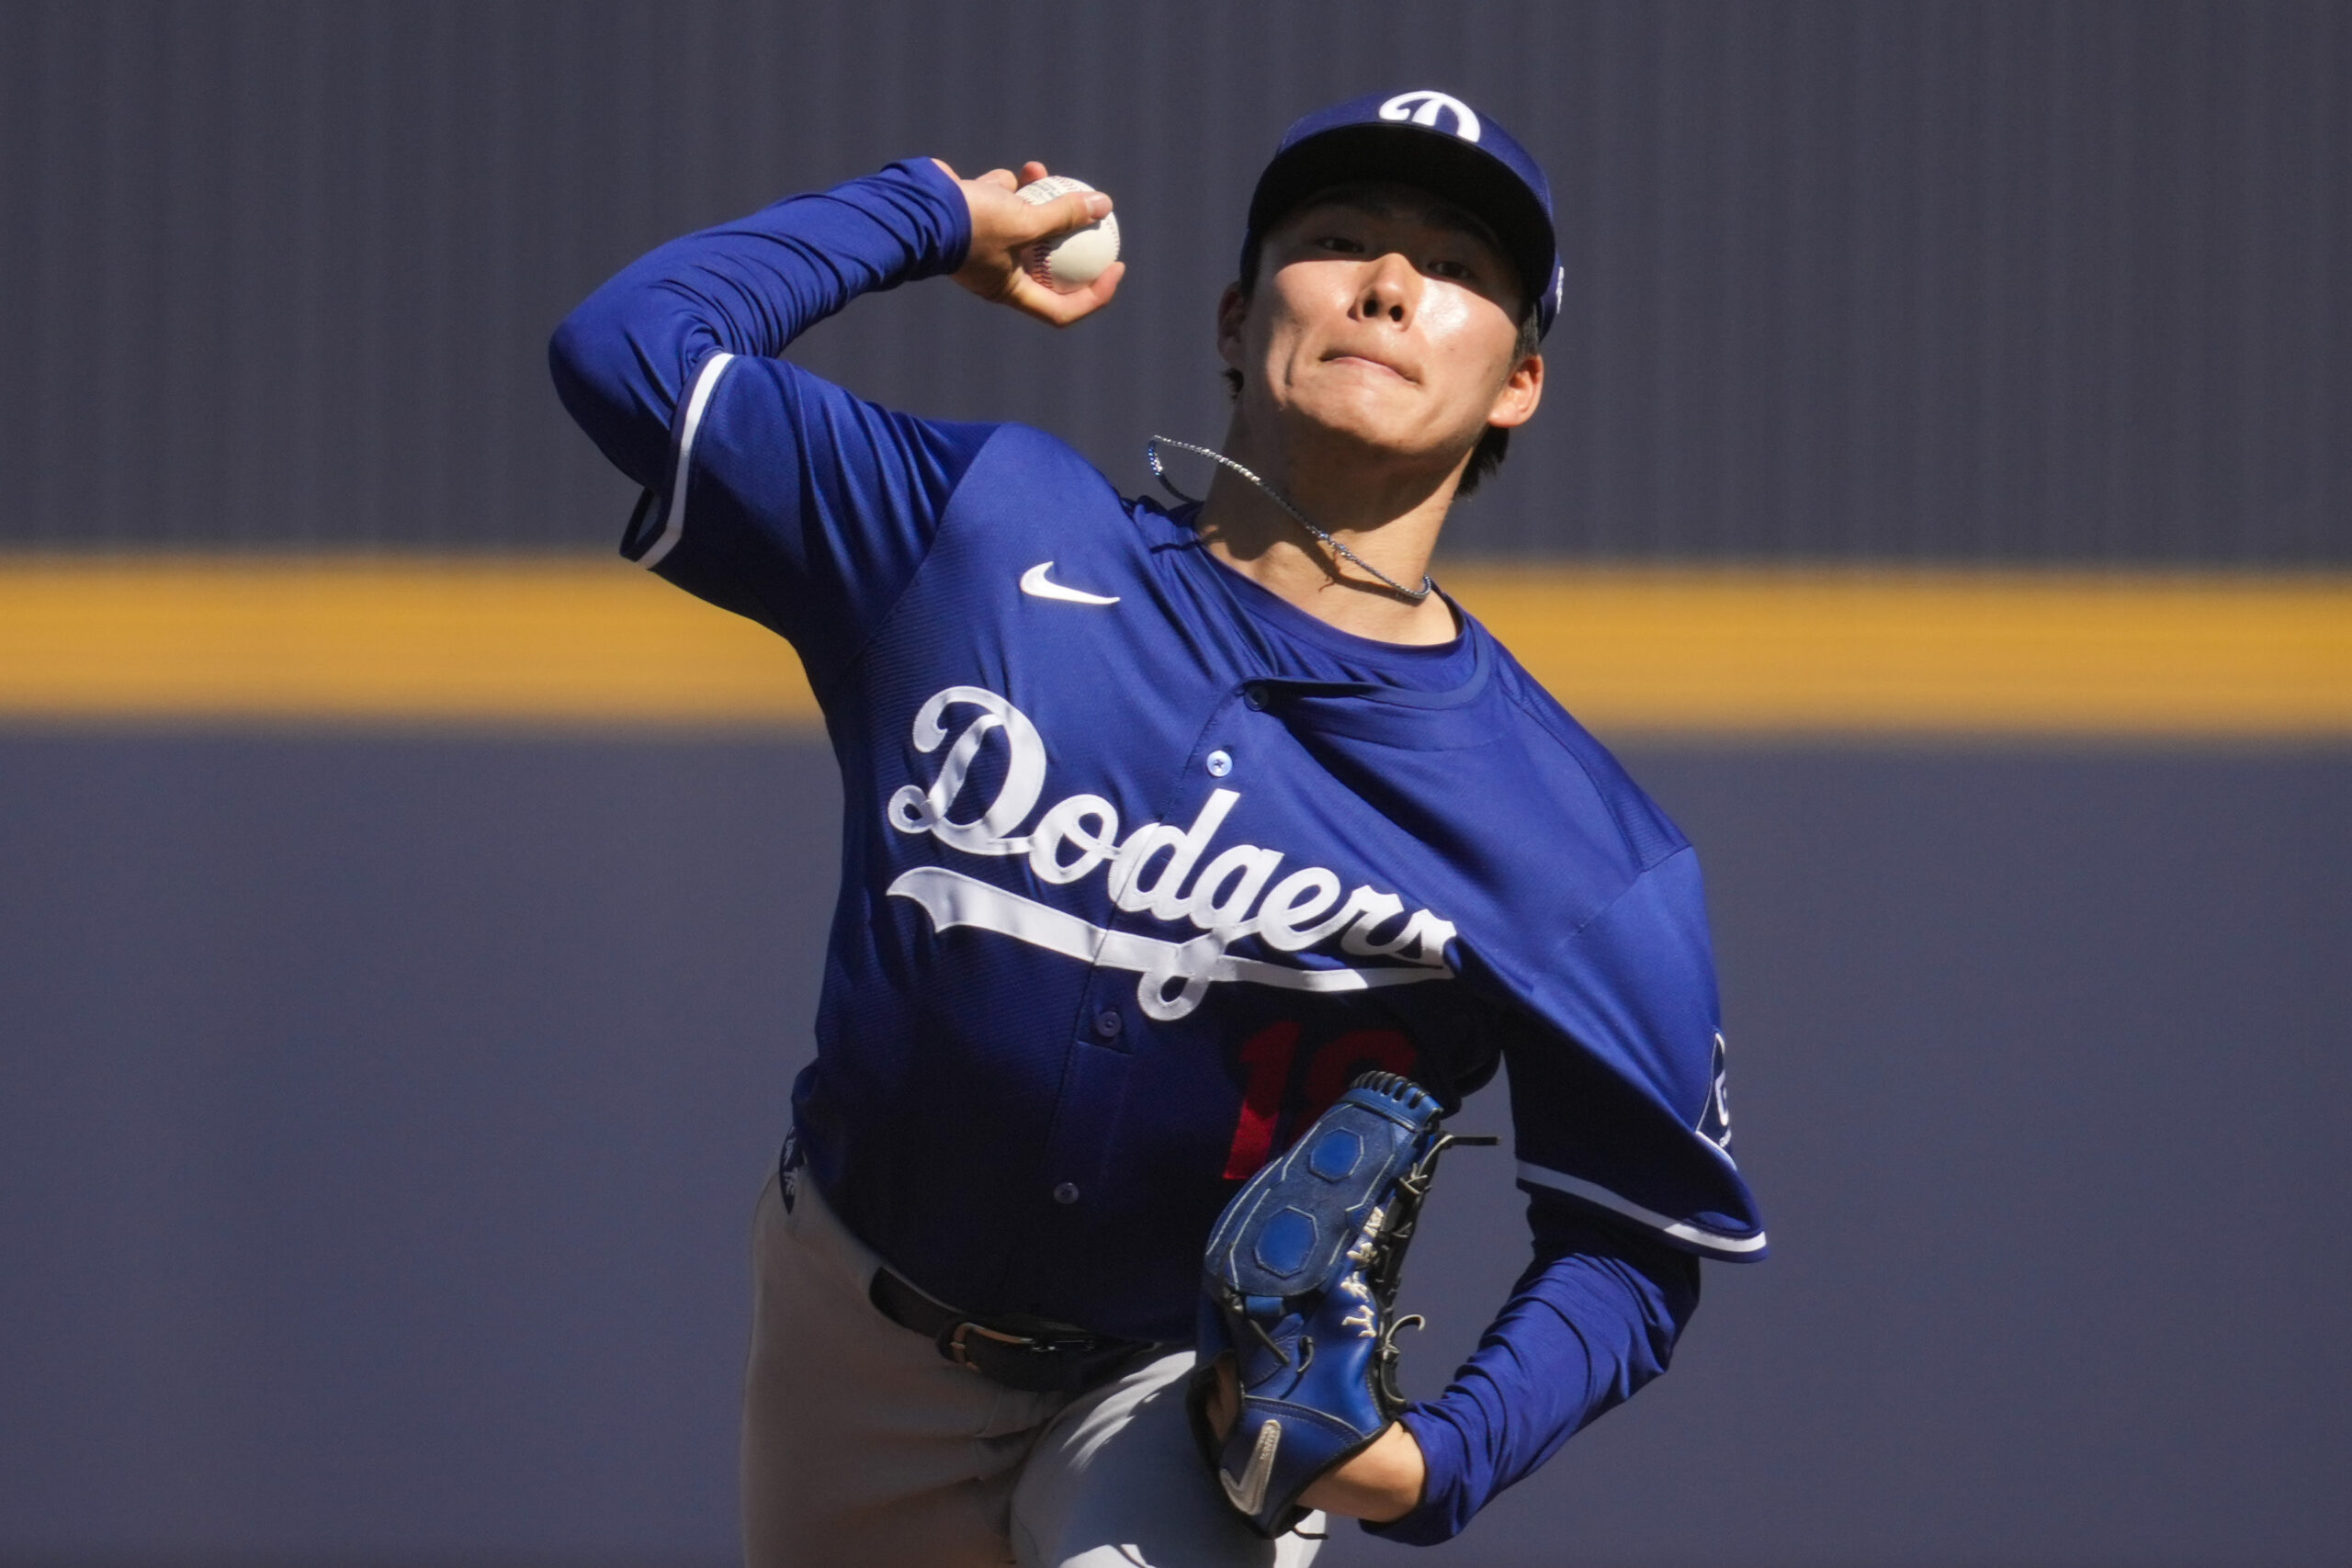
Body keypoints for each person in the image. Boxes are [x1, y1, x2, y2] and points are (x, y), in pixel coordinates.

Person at [549, 88, 1764, 1568]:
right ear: (1238, 313)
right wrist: (934, 210)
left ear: (1518, 382)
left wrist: (1434, 1463)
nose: (1388, 282)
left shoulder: (1571, 839)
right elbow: (627, 352)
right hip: (848, 1326)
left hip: (1178, 1392)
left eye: (1454, 268)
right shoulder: (983, 536)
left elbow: (1635, 1245)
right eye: (1338, 240)